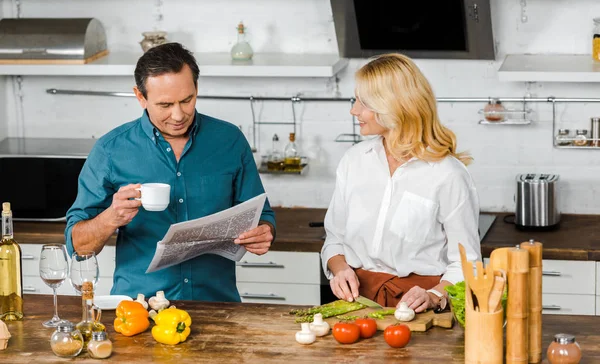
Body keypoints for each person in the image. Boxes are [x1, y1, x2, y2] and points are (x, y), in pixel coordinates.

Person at [65, 42, 275, 302]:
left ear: (196, 89)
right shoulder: (110, 150)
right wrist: (111, 217)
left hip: (217, 306)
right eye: (165, 105)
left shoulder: (230, 140)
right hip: (137, 309)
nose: (178, 115)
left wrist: (265, 231)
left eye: (186, 100)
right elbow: (78, 246)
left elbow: (261, 213)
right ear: (140, 97)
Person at [321, 53, 481, 313]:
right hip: (354, 307)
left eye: (364, 102)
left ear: (394, 106)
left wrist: (433, 296)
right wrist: (340, 271)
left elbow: (468, 264)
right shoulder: (353, 161)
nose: (354, 110)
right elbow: (334, 239)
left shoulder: (448, 174)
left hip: (420, 313)